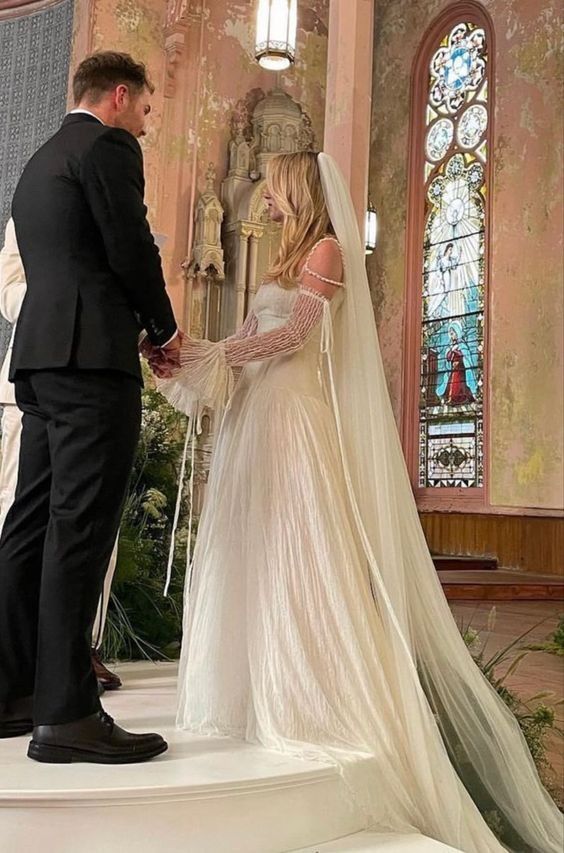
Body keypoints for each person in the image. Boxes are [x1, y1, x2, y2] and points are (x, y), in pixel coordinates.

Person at [157, 152, 561, 852]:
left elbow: (296, 335)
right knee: (259, 549)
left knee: (301, 550)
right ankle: (262, 685)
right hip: (259, 412)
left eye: (275, 193)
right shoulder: (283, 256)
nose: (268, 205)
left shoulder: (328, 248)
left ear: (295, 188)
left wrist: (226, 357)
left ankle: (316, 691)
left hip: (293, 416)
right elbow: (253, 336)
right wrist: (192, 353)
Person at [0, 51, 180, 764]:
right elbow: (128, 246)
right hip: (90, 363)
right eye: (144, 108)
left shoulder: (38, 160)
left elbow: (70, 259)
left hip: (40, 362)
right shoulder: (107, 146)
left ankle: (12, 689)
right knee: (79, 529)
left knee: (30, 523)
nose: (144, 120)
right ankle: (68, 712)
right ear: (117, 95)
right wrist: (161, 328)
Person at [0, 219, 121, 691]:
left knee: (90, 526)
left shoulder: (112, 200)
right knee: (22, 517)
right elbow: (8, 285)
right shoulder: (38, 202)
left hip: (96, 377)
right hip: (35, 378)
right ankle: (16, 659)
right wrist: (66, 303)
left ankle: (73, 650)